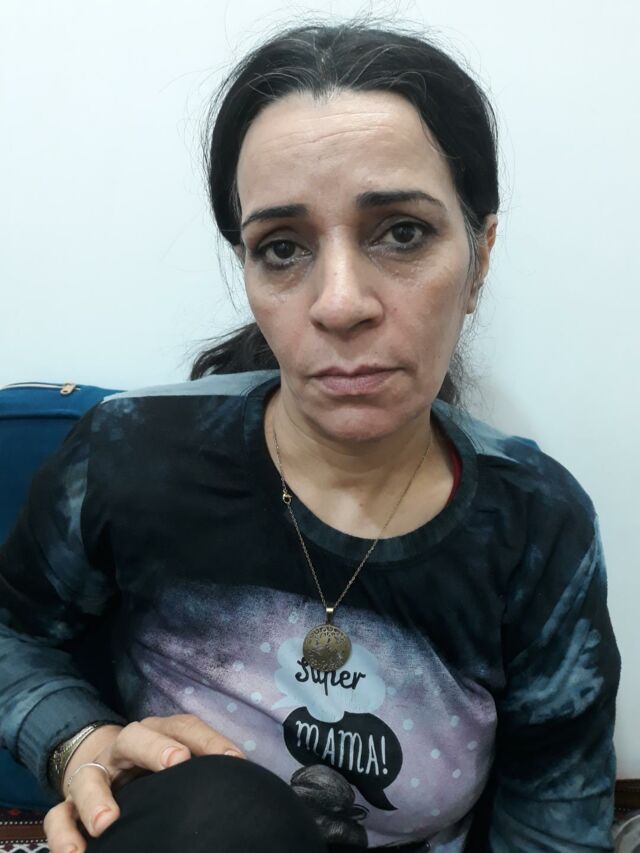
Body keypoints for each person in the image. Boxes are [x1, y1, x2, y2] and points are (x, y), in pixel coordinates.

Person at [0, 19, 621, 853]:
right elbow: (11, 632)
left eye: (402, 232)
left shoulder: (535, 527)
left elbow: (554, 820)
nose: (339, 303)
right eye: (283, 247)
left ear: (479, 256)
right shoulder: (128, 454)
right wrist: (74, 739)